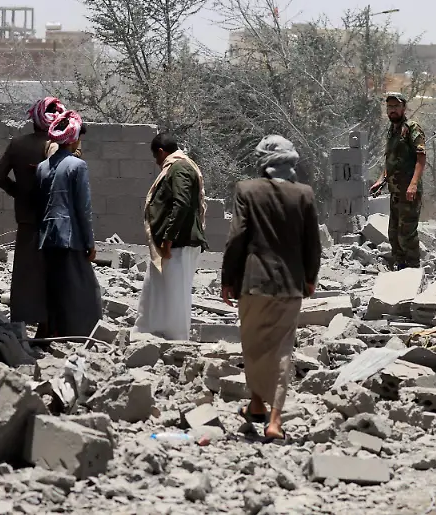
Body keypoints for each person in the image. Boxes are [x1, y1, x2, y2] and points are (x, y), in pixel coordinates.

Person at [221, 136, 321, 441]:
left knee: (253, 346)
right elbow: (312, 243)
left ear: (263, 162)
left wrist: (227, 279)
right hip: (290, 284)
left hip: (254, 282)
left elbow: (237, 237)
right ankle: (270, 417)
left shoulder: (247, 190)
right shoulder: (304, 194)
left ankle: (257, 403)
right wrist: (310, 277)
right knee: (281, 350)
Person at [0, 97, 64, 337]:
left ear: (34, 120)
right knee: (50, 272)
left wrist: (19, 192)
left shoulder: (18, 144)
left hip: (26, 218)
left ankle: (20, 325)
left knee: (24, 273)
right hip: (53, 220)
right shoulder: (59, 147)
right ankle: (47, 326)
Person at [36, 110, 102, 337]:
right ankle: (76, 334)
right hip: (70, 236)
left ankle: (52, 331)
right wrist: (90, 242)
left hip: (47, 236)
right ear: (73, 139)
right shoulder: (77, 165)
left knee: (53, 286)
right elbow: (83, 208)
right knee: (80, 288)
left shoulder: (42, 167)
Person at [135, 133, 207, 341]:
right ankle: (147, 336)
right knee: (156, 290)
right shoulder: (178, 167)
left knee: (176, 297)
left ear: (161, 152)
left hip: (178, 244)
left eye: (156, 157)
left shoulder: (179, 168)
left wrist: (168, 238)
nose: (157, 163)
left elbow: (181, 204)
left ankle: (177, 343)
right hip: (170, 244)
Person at [369, 92, 426, 269]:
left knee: (406, 234)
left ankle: (413, 269)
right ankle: (400, 268)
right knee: (393, 234)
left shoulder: (411, 128)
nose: (392, 110)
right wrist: (381, 180)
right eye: (389, 107)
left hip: (409, 192)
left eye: (396, 106)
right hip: (395, 191)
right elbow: (391, 161)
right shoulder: (392, 131)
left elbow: (421, 158)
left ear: (403, 108)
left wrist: (413, 184)